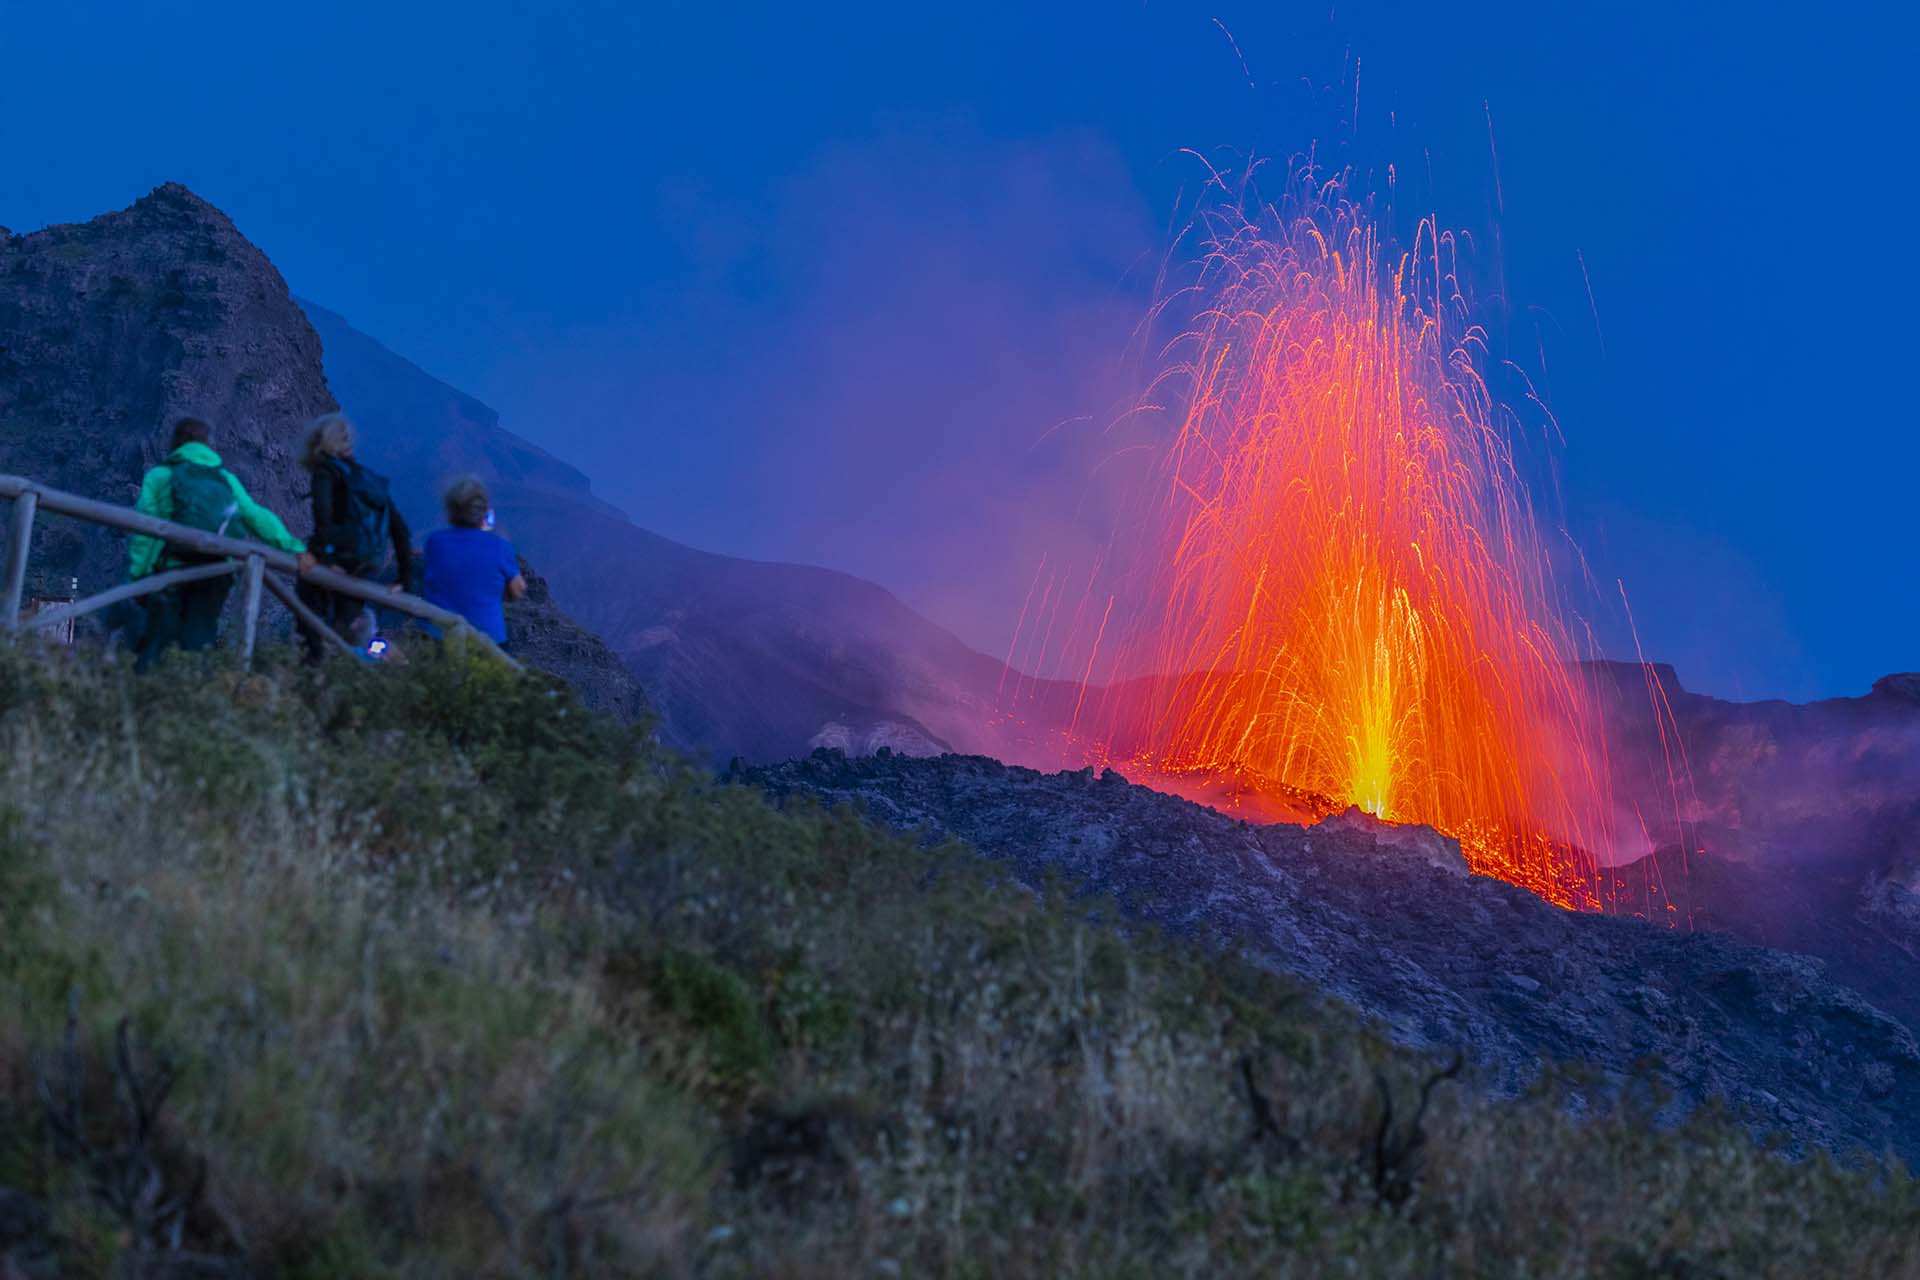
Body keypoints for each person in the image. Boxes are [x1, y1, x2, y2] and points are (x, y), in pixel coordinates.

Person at [129, 416, 315, 667]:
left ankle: (150, 696)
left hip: (172, 569)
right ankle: (197, 697)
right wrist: (294, 548)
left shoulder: (161, 476)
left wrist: (139, 576)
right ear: (208, 445)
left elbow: (146, 530)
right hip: (216, 571)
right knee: (199, 642)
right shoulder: (226, 479)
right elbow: (257, 517)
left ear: (175, 443)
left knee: (158, 642)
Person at [298, 413, 412, 658]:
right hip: (365, 567)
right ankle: (348, 682)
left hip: (335, 564)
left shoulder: (325, 471)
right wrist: (405, 577)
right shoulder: (368, 479)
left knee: (311, 630)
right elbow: (400, 530)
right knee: (347, 635)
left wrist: (322, 559)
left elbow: (323, 522)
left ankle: (311, 679)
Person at [421, 475, 526, 650]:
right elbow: (517, 592)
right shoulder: (500, 547)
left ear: (450, 510)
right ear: (485, 512)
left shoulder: (434, 542)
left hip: (438, 638)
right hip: (488, 642)